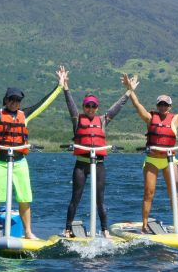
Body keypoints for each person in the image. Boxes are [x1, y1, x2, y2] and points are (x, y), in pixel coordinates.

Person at [0, 59, 64, 239]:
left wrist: (59, 86)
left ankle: (28, 232)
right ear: (6, 100)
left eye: (18, 100)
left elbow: (44, 103)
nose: (15, 102)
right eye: (12, 99)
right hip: (0, 162)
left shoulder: (24, 116)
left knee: (25, 198)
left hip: (20, 162)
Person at [122, 73, 178, 233]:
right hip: (152, 159)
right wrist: (130, 90)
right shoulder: (150, 118)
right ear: (157, 106)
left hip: (169, 160)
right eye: (161, 105)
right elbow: (137, 105)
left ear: (170, 107)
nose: (163, 108)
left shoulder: (175, 119)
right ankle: (144, 225)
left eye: (166, 105)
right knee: (149, 192)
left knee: (174, 192)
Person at [59, 67, 137, 238]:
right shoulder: (77, 119)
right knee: (76, 197)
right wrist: (65, 87)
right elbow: (70, 104)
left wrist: (129, 92)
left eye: (94, 106)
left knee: (100, 199)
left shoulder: (102, 120)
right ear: (84, 106)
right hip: (81, 164)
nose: (91, 108)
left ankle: (104, 230)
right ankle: (67, 228)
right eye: (88, 105)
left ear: (97, 107)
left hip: (99, 164)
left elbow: (117, 107)